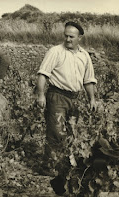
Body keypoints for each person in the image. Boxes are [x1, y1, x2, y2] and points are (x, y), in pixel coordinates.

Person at [36, 21, 97, 194]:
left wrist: (92, 98)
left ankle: (56, 164)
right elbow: (42, 74)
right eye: (66, 35)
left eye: (72, 36)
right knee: (57, 132)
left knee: (71, 132)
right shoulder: (55, 52)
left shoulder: (84, 55)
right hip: (57, 96)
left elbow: (89, 80)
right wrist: (41, 95)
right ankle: (51, 167)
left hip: (75, 98)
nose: (68, 39)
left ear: (80, 38)